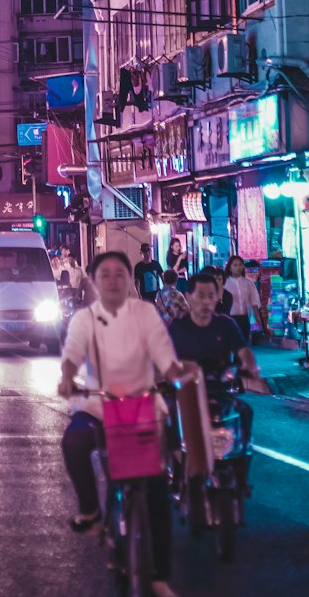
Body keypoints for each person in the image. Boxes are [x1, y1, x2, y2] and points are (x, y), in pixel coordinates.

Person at [59, 250, 183, 597]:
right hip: (98, 403)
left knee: (155, 489)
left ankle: (159, 574)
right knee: (75, 442)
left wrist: (174, 373)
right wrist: (68, 377)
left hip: (141, 403)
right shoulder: (85, 319)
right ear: (95, 283)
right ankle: (91, 511)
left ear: (130, 279)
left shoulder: (145, 313)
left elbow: (162, 351)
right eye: (105, 275)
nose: (113, 280)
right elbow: (72, 354)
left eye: (119, 274)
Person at [169, 269, 258, 444]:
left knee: (244, 412)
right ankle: (177, 464)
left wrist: (250, 366)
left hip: (218, 390)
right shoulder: (178, 327)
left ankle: (239, 465)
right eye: (201, 296)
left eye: (211, 296)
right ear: (188, 296)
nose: (207, 301)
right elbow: (165, 359)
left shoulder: (226, 325)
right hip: (187, 391)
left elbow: (243, 350)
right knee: (168, 416)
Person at [224, 254, 262, 341]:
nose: (238, 267)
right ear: (229, 267)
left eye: (240, 264)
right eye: (235, 265)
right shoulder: (225, 283)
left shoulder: (248, 283)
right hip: (229, 318)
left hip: (244, 318)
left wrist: (257, 316)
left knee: (243, 343)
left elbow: (254, 301)